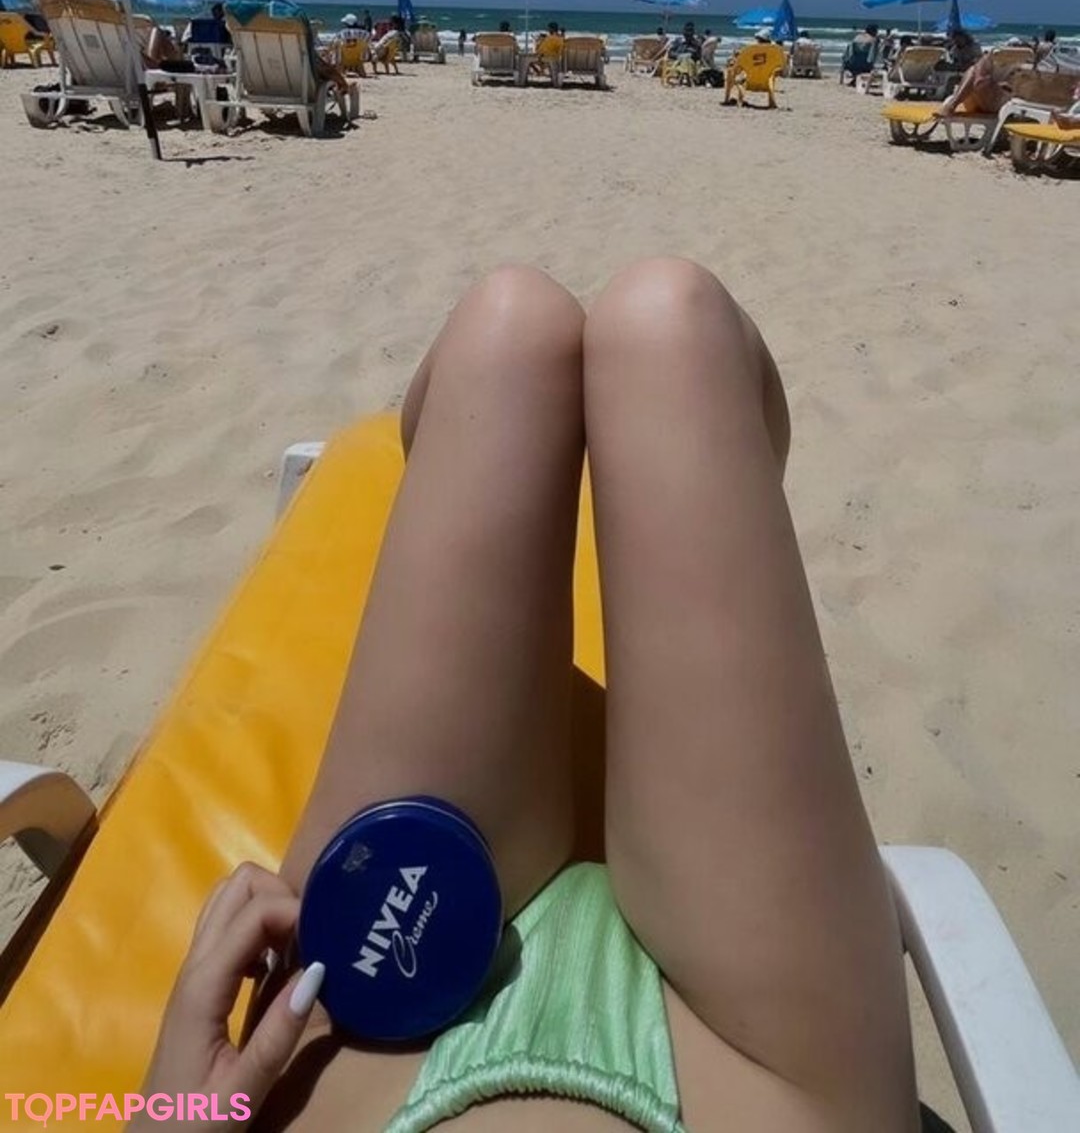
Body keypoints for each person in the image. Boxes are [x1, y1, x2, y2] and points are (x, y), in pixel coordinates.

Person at [140, 261, 932, 1133]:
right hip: (759, 1090)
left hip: (359, 1056)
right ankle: (728, 494)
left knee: (509, 330)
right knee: (673, 324)